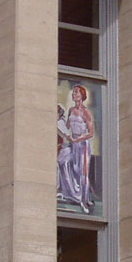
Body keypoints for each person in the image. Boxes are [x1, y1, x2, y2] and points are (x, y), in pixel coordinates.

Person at [56, 84, 95, 212]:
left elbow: (90, 133)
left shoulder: (86, 112)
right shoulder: (71, 110)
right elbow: (67, 126)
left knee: (82, 172)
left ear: (82, 95)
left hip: (82, 144)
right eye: (73, 92)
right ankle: (70, 193)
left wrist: (77, 139)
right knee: (62, 160)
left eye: (76, 92)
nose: (74, 94)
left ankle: (84, 200)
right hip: (72, 142)